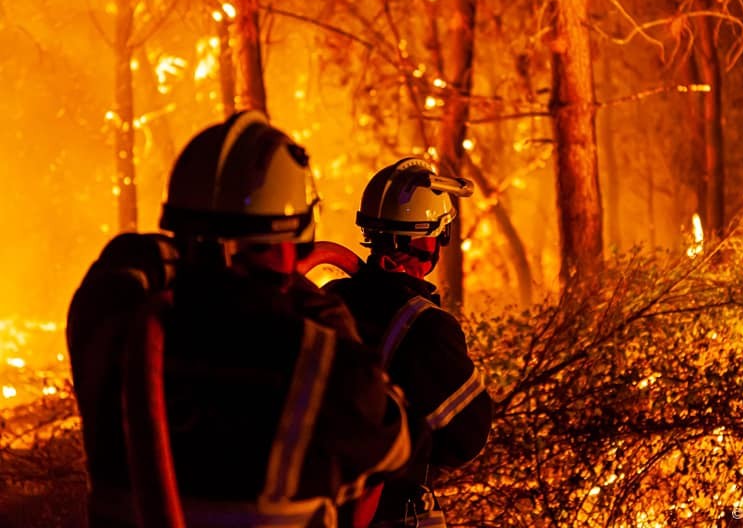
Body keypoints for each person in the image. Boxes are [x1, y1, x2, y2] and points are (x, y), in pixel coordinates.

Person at [67, 111, 418, 528]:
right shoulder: (324, 364)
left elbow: (124, 262)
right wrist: (328, 312)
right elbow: (395, 444)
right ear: (293, 240)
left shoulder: (111, 324)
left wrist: (196, 254)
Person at [326, 157, 493, 526]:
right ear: (431, 240)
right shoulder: (425, 326)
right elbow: (467, 437)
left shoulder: (329, 299)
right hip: (391, 512)